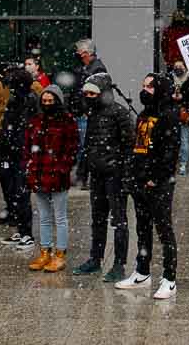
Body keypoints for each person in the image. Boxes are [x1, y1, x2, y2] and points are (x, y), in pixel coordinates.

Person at [119, 71, 182, 298]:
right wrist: (134, 176)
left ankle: (170, 279)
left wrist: (155, 178)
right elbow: (137, 148)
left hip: (159, 184)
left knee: (164, 230)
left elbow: (169, 153)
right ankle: (142, 271)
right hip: (140, 182)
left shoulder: (169, 115)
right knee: (142, 228)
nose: (144, 91)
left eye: (150, 87)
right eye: (143, 86)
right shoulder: (143, 115)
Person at [74, 72, 136, 280]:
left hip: (115, 175)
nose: (88, 97)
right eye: (87, 94)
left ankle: (119, 264)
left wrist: (126, 175)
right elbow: (89, 144)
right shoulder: (92, 113)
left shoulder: (119, 113)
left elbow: (129, 146)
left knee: (119, 221)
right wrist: (83, 170)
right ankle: (95, 258)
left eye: (93, 94)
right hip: (98, 174)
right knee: (97, 218)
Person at [26, 83, 79, 273]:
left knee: (60, 216)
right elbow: (28, 146)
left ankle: (60, 253)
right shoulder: (36, 121)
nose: (47, 103)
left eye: (51, 100)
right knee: (44, 217)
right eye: (45, 100)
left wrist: (62, 168)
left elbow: (72, 149)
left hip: (57, 176)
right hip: (39, 174)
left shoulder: (67, 121)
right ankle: (45, 250)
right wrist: (30, 167)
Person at [0, 58, 38, 249]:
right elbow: (8, 127)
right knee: (11, 189)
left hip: (21, 154)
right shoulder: (16, 101)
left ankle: (26, 232)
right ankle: (21, 229)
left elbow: (28, 131)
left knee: (21, 194)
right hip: (10, 153)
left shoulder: (29, 102)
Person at [69, 38, 106, 186]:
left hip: (87, 114)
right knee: (82, 146)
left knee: (85, 146)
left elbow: (93, 94)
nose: (77, 53)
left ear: (85, 53)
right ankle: (81, 176)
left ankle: (82, 177)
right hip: (81, 113)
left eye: (79, 51)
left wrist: (84, 108)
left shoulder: (96, 69)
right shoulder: (84, 68)